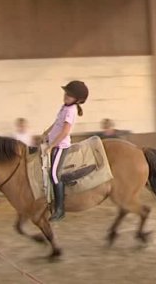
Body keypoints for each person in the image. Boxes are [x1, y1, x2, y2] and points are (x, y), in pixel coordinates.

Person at [41, 80, 89, 222]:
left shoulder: (71, 110)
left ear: (77, 99)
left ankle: (60, 210)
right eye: (66, 93)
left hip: (61, 146)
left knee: (54, 175)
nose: (66, 96)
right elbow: (57, 123)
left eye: (70, 95)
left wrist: (52, 146)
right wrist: (47, 132)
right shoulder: (64, 107)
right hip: (54, 143)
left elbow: (65, 131)